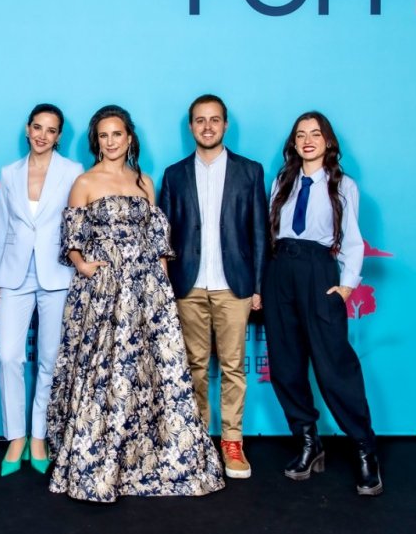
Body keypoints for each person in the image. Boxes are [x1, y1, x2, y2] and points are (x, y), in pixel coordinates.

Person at [46, 105, 225, 502]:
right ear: (97, 142)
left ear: (129, 138)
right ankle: (101, 464)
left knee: (150, 372)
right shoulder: (85, 182)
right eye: (104, 135)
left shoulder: (145, 181)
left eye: (117, 134)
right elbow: (72, 237)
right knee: (105, 372)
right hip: (104, 293)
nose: (111, 142)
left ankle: (149, 458)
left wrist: (162, 285)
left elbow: (158, 242)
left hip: (146, 291)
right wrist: (84, 266)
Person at [263, 111, 382, 496]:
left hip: (318, 271)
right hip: (281, 270)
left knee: (334, 365)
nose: (308, 140)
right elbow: (269, 233)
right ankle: (308, 441)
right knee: (285, 364)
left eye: (315, 133)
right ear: (294, 143)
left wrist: (346, 287)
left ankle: (364, 447)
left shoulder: (342, 185)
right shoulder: (282, 180)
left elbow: (353, 240)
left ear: (328, 141)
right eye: (301, 135)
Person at [159, 94, 268, 479]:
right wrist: (166, 286)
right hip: (188, 285)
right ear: (191, 126)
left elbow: (260, 233)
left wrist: (258, 286)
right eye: (200, 120)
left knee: (234, 366)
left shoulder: (249, 171)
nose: (207, 127)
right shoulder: (174, 175)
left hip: (233, 285)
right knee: (194, 367)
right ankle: (197, 439)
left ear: (225, 125)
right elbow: (163, 238)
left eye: (214, 120)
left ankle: (232, 441)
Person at [0, 104, 82, 476]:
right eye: (38, 127)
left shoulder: (73, 172)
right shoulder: (8, 173)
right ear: (27, 129)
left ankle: (39, 436)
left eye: (51, 130)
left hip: (57, 274)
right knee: (9, 356)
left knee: (50, 358)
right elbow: (2, 230)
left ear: (58, 136)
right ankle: (16, 436)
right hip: (14, 275)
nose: (43, 135)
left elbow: (77, 225)